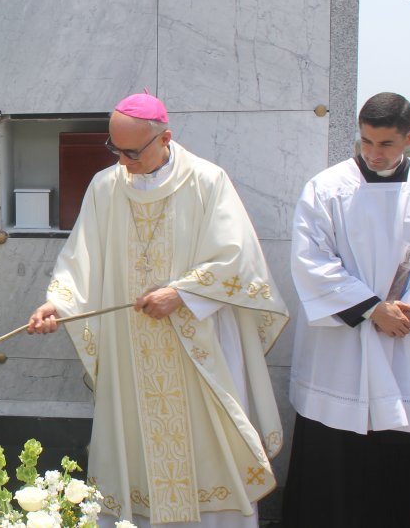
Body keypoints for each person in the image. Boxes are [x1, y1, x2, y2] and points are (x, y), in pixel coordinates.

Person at [27, 93, 288, 528]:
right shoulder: (106, 187)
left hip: (198, 346)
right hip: (130, 351)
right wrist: (58, 303)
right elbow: (81, 259)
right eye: (115, 149)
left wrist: (182, 294)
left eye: (132, 152)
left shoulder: (207, 181)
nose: (123, 161)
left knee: (209, 450)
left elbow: (236, 258)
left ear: (165, 138)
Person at [282, 92, 410, 528]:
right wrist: (370, 308)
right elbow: (310, 259)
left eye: (386, 143)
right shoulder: (327, 187)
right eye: (366, 141)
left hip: (405, 336)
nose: (373, 153)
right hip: (341, 349)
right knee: (332, 464)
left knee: (395, 463)